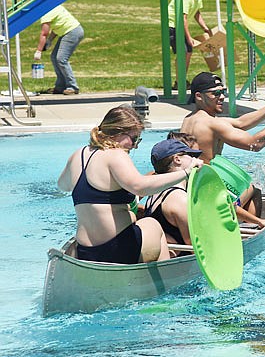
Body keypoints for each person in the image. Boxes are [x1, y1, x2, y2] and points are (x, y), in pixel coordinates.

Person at [57, 106, 202, 264]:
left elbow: (63, 185)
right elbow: (140, 186)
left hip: (86, 250)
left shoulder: (78, 155)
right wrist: (186, 173)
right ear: (118, 132)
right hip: (118, 248)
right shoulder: (115, 154)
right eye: (134, 139)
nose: (135, 146)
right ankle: (161, 280)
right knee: (151, 224)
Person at [180, 71, 265, 228]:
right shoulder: (212, 124)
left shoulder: (191, 119)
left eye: (223, 92)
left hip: (191, 185)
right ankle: (250, 227)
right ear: (199, 96)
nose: (222, 97)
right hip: (208, 190)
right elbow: (255, 144)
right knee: (252, 188)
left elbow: (240, 122)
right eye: (216, 93)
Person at [144, 139, 203, 255]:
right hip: (182, 266)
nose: (194, 159)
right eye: (190, 155)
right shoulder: (180, 199)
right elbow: (195, 246)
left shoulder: (154, 193)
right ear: (177, 159)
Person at [167, 0, 213, 80]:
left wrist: (205, 28)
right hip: (172, 25)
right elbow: (183, 19)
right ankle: (180, 82)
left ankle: (180, 81)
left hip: (179, 27)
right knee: (183, 52)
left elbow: (197, 13)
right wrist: (189, 38)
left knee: (188, 52)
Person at [35, 5, 84, 95]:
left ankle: (73, 87)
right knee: (54, 57)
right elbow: (58, 26)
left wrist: (39, 51)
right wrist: (50, 40)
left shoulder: (46, 13)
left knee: (61, 59)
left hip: (72, 32)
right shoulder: (53, 6)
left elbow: (44, 33)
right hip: (70, 31)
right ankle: (60, 86)